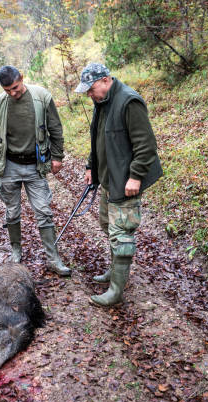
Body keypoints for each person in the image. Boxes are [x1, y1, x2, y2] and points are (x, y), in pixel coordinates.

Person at [75, 63, 162, 306]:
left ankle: (116, 292)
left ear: (105, 80)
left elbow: (146, 145)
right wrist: (91, 166)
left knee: (121, 233)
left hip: (125, 181)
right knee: (108, 225)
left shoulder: (129, 101)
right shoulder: (102, 102)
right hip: (107, 178)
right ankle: (115, 272)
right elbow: (98, 138)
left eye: (91, 89)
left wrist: (135, 176)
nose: (90, 95)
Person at [0, 65, 70, 276]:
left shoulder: (41, 97)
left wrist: (57, 156)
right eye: (7, 90)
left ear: (21, 78)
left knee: (43, 211)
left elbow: (55, 128)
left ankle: (53, 258)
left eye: (15, 87)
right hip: (9, 165)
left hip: (35, 165)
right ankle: (16, 251)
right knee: (12, 211)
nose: (13, 93)